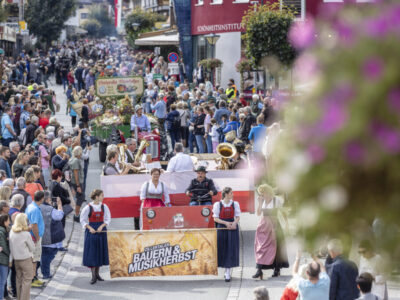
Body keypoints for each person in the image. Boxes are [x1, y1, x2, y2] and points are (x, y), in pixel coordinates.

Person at [253, 184, 289, 279]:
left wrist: (287, 224)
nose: (262, 195)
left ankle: (277, 268)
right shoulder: (262, 201)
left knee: (276, 247)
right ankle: (259, 270)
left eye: (263, 193)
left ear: (268, 192)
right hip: (264, 225)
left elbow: (283, 212)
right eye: (261, 193)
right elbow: (258, 213)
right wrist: (260, 203)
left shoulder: (276, 200)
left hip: (274, 225)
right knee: (261, 247)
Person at [80, 189, 110, 284]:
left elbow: (108, 218)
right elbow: (83, 220)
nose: (103, 197)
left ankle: (97, 274)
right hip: (91, 232)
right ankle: (93, 276)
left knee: (100, 252)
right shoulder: (88, 207)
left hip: (101, 231)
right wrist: (89, 228)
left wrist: (102, 226)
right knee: (92, 252)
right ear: (96, 197)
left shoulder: (104, 206)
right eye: (102, 195)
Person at [213, 187, 241, 282]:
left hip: (232, 227)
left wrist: (234, 223)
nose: (232, 194)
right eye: (231, 193)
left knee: (231, 249)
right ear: (225, 194)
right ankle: (225, 270)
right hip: (222, 227)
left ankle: (228, 271)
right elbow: (215, 218)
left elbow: (237, 217)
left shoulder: (235, 204)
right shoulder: (218, 204)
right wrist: (225, 223)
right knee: (222, 248)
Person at [9, 213, 35, 300]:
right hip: (26, 259)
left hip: (16, 259)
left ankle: (19, 298)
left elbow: (11, 247)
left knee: (19, 280)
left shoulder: (12, 232)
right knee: (27, 281)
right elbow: (32, 248)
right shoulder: (25, 234)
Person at [25, 190, 45, 288]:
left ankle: (34, 277)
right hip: (34, 238)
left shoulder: (31, 206)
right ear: (42, 199)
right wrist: (37, 237)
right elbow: (34, 225)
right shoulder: (35, 209)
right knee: (34, 259)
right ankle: (32, 278)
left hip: (31, 237)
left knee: (34, 259)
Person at [69, 146, 85, 223]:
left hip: (75, 182)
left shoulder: (73, 159)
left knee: (79, 198)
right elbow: (76, 173)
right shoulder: (75, 161)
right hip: (76, 183)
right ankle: (76, 215)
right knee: (80, 198)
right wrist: (78, 185)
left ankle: (77, 213)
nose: (82, 154)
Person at [0, 214, 10, 300]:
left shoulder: (4, 230)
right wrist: (10, 254)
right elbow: (4, 248)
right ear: (4, 222)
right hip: (3, 260)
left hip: (3, 259)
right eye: (8, 221)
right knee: (2, 282)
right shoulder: (1, 232)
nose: (9, 222)